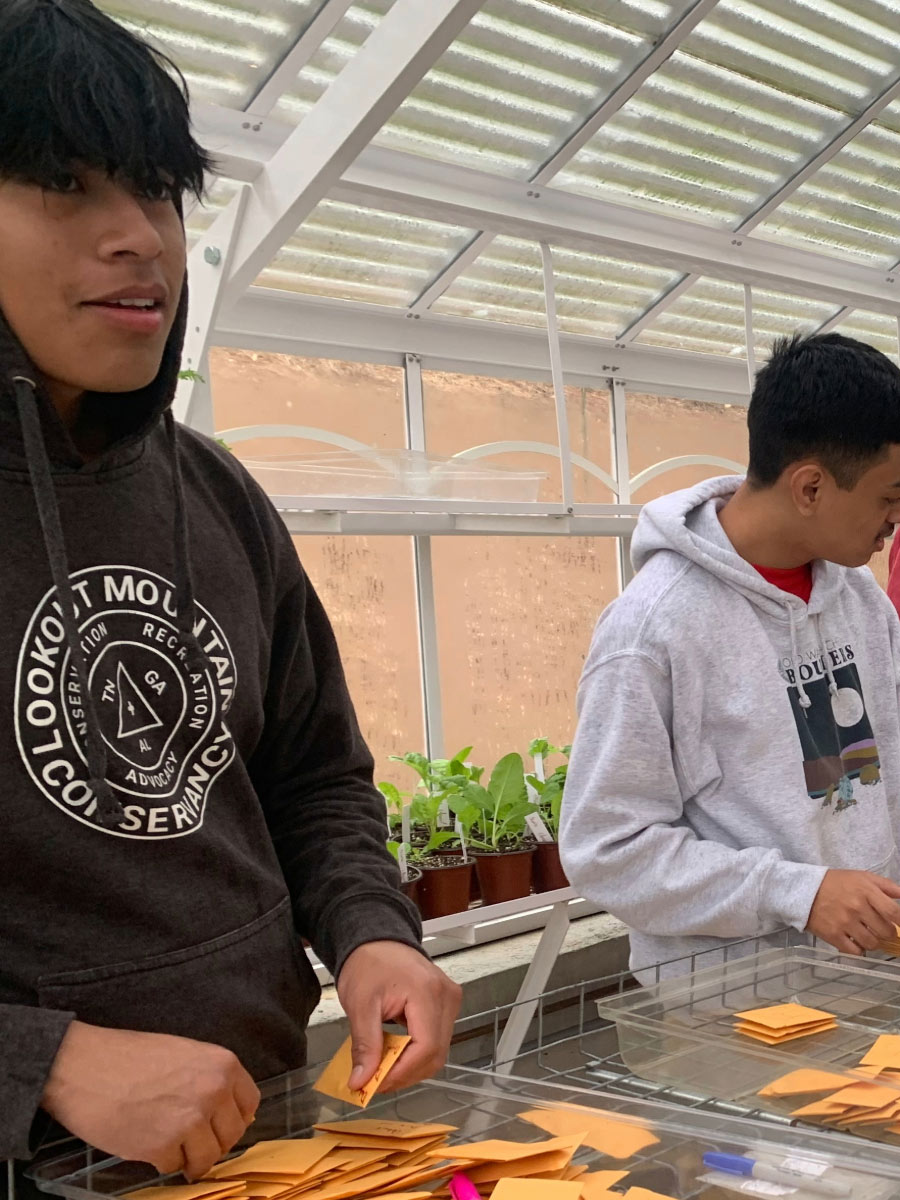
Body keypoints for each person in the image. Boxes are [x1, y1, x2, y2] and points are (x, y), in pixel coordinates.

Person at [0, 0, 460, 1185]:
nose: (139, 238)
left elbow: (312, 776)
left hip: (266, 1136)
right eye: (64, 185)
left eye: (155, 191)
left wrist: (369, 936)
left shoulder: (213, 494)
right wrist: (40, 1060)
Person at [561, 332, 900, 976]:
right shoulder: (654, 631)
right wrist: (798, 893)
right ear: (809, 487)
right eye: (889, 495)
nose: (897, 518)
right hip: (727, 1009)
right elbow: (608, 848)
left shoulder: (856, 596)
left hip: (865, 980)